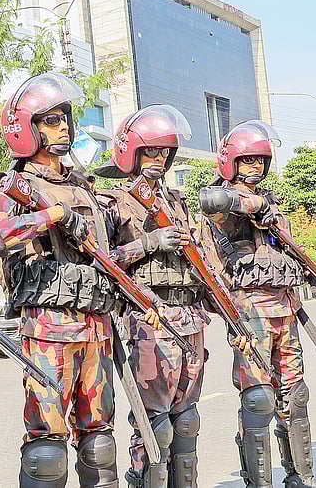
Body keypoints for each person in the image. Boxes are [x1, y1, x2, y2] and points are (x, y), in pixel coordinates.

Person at [0, 72, 120, 488]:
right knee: (47, 447)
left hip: (97, 327)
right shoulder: (15, 188)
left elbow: (109, 254)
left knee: (100, 442)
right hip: (50, 328)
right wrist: (50, 216)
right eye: (50, 120)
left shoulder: (84, 188)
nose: (63, 127)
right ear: (25, 130)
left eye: (64, 118)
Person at [94, 104, 229, 488]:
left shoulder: (177, 201)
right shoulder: (113, 201)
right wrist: (149, 242)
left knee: (186, 420)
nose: (158, 159)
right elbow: (101, 260)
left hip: (191, 316)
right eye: (151, 151)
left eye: (165, 153)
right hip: (149, 317)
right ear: (132, 153)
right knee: (155, 425)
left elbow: (204, 262)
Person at [197, 121, 316, 488]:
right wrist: (257, 205)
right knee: (258, 399)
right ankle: (259, 482)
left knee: (295, 395)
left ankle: (301, 475)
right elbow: (213, 205)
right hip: (249, 312)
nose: (255, 167)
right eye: (247, 160)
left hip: (285, 310)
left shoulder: (274, 207)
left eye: (260, 160)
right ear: (230, 162)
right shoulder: (223, 203)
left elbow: (286, 253)